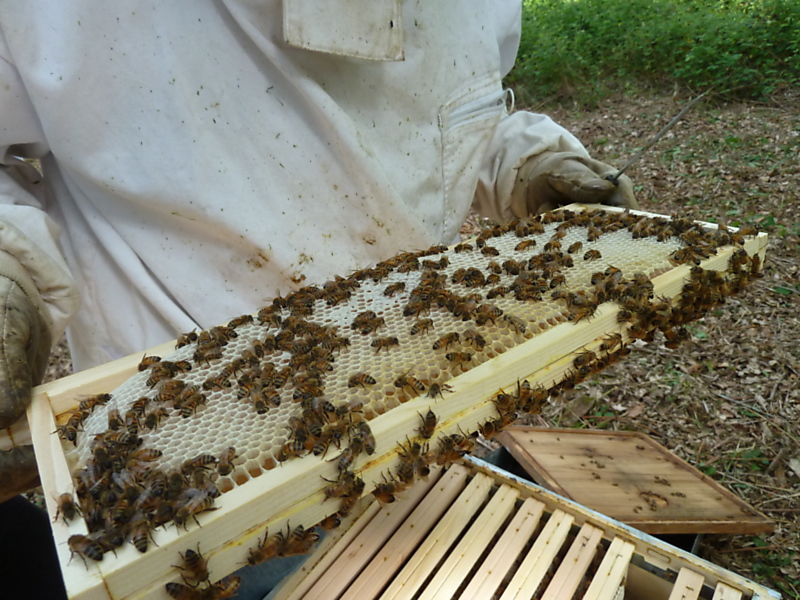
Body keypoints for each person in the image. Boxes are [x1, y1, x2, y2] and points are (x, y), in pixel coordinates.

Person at [0, 1, 636, 596]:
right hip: (188, 456)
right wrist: (10, 270)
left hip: (416, 401)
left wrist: (524, 166)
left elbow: (461, 116)